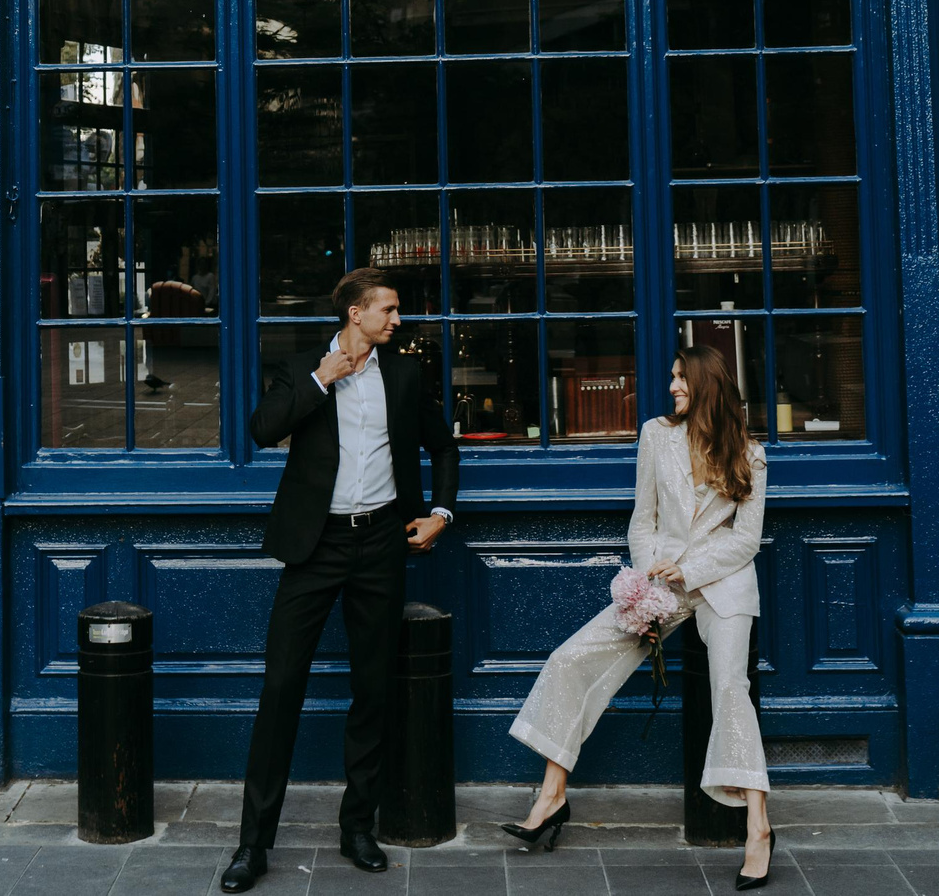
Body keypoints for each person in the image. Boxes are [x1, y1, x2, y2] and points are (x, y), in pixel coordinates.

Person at [220, 270, 459, 894]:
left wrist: (440, 513)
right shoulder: (301, 366)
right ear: (356, 313)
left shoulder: (405, 376)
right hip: (314, 546)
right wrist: (323, 378)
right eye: (389, 309)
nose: (397, 319)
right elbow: (261, 428)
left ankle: (358, 829)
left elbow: (445, 447)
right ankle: (253, 844)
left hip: (380, 542)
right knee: (280, 689)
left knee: (373, 687)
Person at [503, 342, 774, 886]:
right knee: (571, 657)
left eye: (681, 378)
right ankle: (552, 796)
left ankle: (759, 828)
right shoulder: (657, 435)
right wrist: (650, 576)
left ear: (708, 386)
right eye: (673, 377)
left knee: (729, 688)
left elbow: (745, 541)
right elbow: (642, 517)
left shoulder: (750, 453)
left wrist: (688, 569)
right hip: (658, 584)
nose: (672, 386)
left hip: (722, 586)